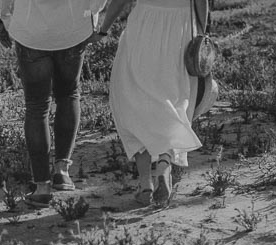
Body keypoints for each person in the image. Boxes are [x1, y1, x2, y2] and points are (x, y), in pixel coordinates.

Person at [92, 0, 217, 206]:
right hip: (181, 26)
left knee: (132, 99)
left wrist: (104, 29)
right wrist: (202, 35)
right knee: (172, 96)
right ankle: (165, 162)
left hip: (144, 23)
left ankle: (144, 183)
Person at [0, 0, 102, 207]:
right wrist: (94, 16)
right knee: (68, 94)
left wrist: (2, 17)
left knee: (36, 106)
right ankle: (62, 171)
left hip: (31, 30)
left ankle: (42, 186)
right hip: (72, 27)